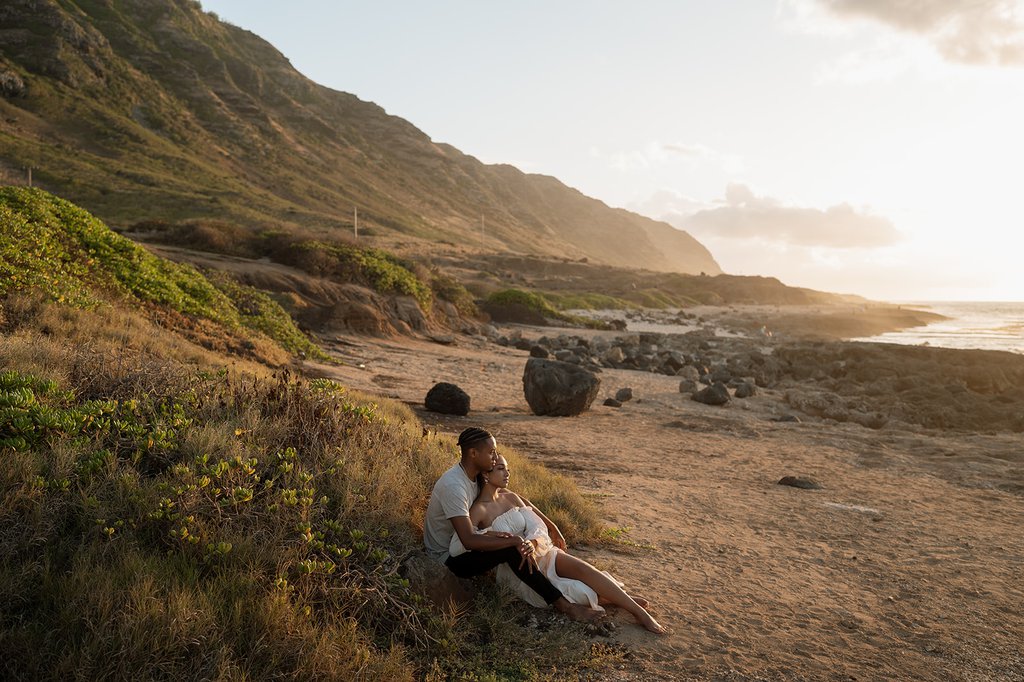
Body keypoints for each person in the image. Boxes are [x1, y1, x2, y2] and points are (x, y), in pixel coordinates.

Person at [454, 454, 667, 634]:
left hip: (540, 550)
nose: (507, 473)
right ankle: (613, 599)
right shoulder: (478, 510)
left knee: (585, 570)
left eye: (507, 468)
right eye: (501, 469)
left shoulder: (511, 497)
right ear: (486, 474)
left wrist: (534, 542)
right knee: (577, 591)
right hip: (520, 567)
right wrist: (492, 534)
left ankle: (638, 612)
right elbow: (466, 543)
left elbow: (536, 523)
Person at [423, 427, 602, 623]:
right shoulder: (454, 486)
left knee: (516, 543)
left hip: (467, 541)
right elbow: (468, 540)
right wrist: (514, 541)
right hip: (447, 557)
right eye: (491, 452)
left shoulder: (476, 476)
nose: (495, 457)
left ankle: (577, 587)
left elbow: (516, 498)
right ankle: (565, 606)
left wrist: (552, 526)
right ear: (473, 453)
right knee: (511, 549)